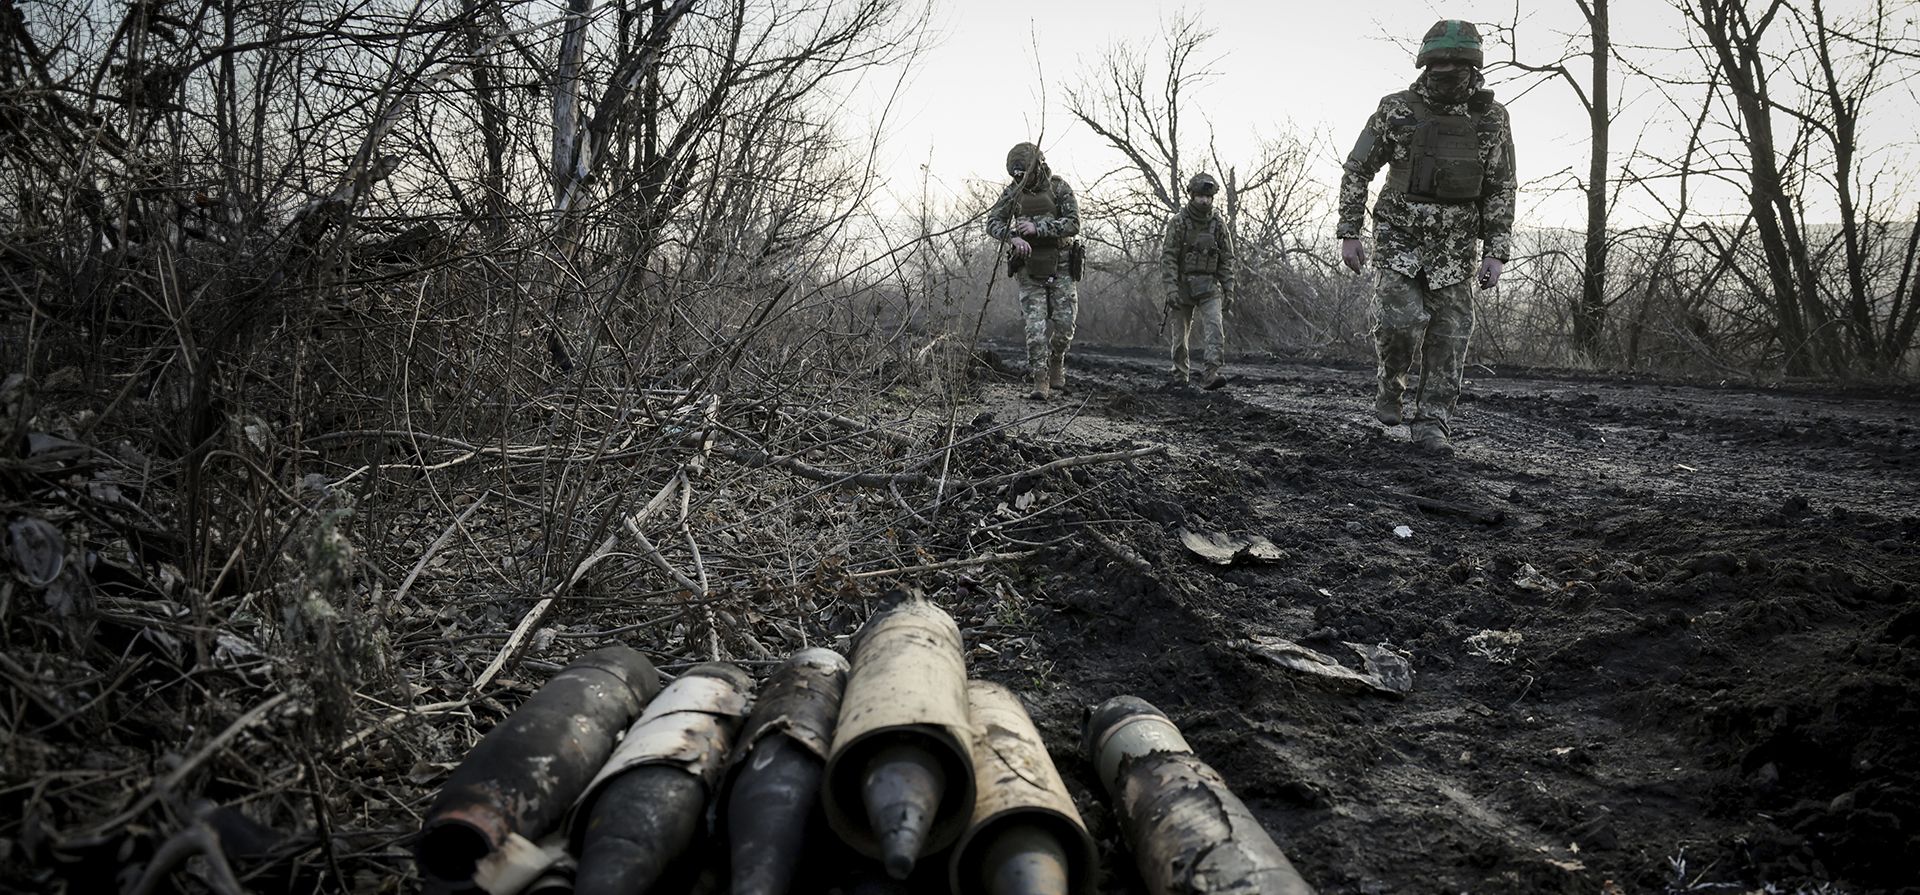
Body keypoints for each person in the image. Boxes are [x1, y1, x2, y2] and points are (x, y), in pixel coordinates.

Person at [1337, 19, 1517, 453]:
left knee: (1451, 336)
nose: (1447, 70)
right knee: (1399, 325)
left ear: (1474, 66)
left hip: (1456, 247)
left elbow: (1501, 186)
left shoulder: (1492, 118)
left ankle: (1433, 422)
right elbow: (1358, 169)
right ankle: (1390, 387)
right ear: (1425, 63)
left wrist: (1496, 252)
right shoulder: (1396, 109)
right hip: (1399, 238)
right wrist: (1349, 231)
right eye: (1439, 63)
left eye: (1457, 63)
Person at [987, 142, 1082, 400]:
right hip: (1029, 267)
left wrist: (1039, 229)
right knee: (1034, 328)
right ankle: (1040, 378)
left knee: (1064, 326)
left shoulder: (1059, 188)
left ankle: (1056, 360)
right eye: (1015, 175)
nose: (1019, 179)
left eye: (1023, 174)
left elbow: (1073, 223)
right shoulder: (1013, 193)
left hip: (1061, 264)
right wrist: (1013, 237)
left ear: (1037, 166)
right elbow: (992, 221)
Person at [1160, 172, 1237, 389]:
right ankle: (1179, 376)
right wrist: (1171, 288)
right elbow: (1169, 257)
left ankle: (1211, 372)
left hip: (1209, 285)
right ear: (1192, 196)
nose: (1204, 200)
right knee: (1180, 336)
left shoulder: (1218, 225)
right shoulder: (1178, 223)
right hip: (1182, 286)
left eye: (1208, 197)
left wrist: (1229, 288)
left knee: (1215, 328)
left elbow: (1226, 259)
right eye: (1200, 196)